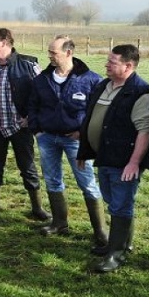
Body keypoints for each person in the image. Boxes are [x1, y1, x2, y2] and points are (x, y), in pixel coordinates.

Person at [77, 45, 149, 272]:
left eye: (112, 63)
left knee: (121, 205)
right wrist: (85, 150)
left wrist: (133, 162)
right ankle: (121, 243)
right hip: (104, 157)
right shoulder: (104, 85)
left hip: (123, 161)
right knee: (113, 201)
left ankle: (117, 254)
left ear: (128, 66)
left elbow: (145, 131)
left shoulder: (142, 93)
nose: (106, 66)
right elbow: (92, 119)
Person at [28, 35, 107, 250]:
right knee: (53, 180)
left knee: (87, 182)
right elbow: (32, 106)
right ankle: (59, 222)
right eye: (49, 52)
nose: (50, 56)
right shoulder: (41, 80)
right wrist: (37, 130)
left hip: (76, 142)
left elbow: (98, 111)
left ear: (69, 53)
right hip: (48, 139)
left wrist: (84, 133)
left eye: (54, 52)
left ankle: (100, 230)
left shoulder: (91, 80)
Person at [0, 27, 50, 223]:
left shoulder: (28, 64)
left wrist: (31, 118)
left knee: (27, 168)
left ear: (4, 43)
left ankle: (37, 208)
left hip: (20, 128)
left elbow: (43, 94)